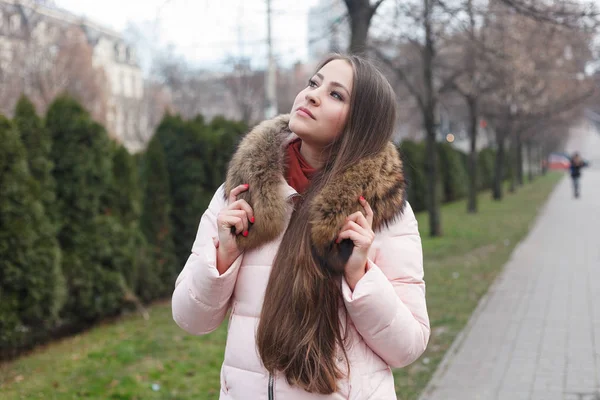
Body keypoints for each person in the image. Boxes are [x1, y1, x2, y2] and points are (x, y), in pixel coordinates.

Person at [172, 54, 430, 399]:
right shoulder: (241, 194)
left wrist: (360, 275)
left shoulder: (378, 212)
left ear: (362, 124)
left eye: (336, 95)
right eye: (314, 83)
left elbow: (407, 346)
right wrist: (223, 256)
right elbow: (190, 319)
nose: (312, 95)